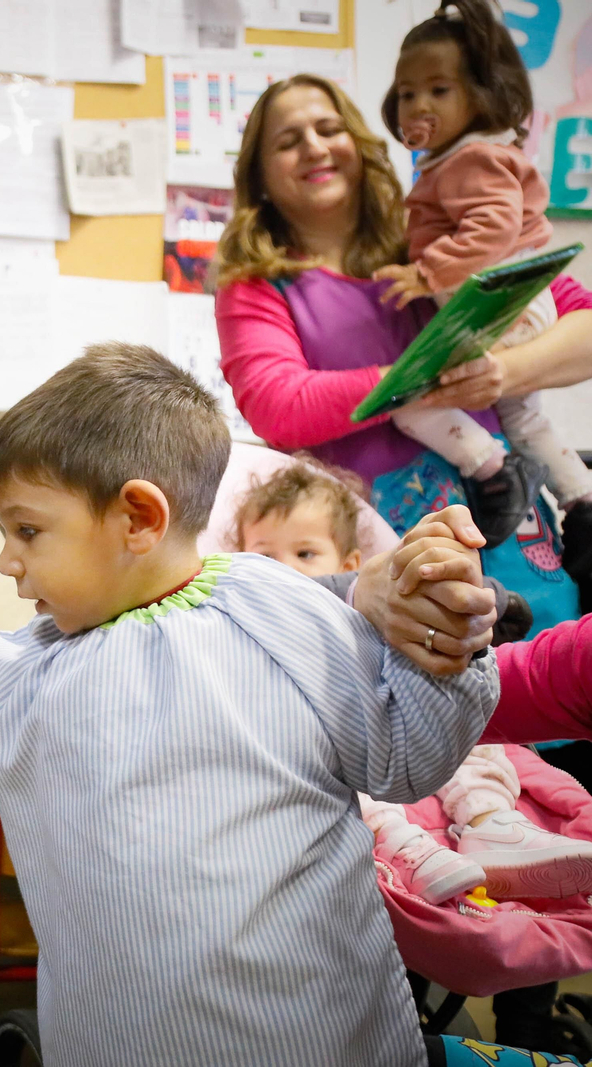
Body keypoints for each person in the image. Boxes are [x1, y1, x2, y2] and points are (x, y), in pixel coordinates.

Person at [0, 343, 499, 1065]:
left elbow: (403, 760)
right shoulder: (27, 665)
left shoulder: (283, 608)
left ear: (138, 518)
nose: (8, 561)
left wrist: (449, 649)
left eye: (27, 529)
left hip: (323, 1037)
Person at [213, 72, 592, 632]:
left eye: (328, 128)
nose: (314, 147)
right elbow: (279, 405)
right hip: (378, 558)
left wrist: (500, 373)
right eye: (288, 140)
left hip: (513, 530)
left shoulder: (439, 242)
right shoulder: (254, 286)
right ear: (261, 175)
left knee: (548, 690)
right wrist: (418, 376)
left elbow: (579, 319)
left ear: (358, 146)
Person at [234, 458, 592, 905]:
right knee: (329, 770)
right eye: (266, 557)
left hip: (405, 715)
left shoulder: (364, 598)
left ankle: (492, 820)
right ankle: (402, 847)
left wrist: (466, 603)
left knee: (468, 725)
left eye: (305, 554)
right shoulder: (248, 615)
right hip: (340, 745)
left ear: (350, 563)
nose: (286, 569)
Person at [370, 0, 592, 549]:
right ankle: (582, 500)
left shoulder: (471, 159)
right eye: (407, 91)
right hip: (511, 302)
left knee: (411, 403)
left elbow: (493, 226)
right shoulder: (458, 158)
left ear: (480, 93)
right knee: (526, 418)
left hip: (502, 304)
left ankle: (496, 473)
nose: (419, 103)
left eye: (439, 90)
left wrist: (428, 272)